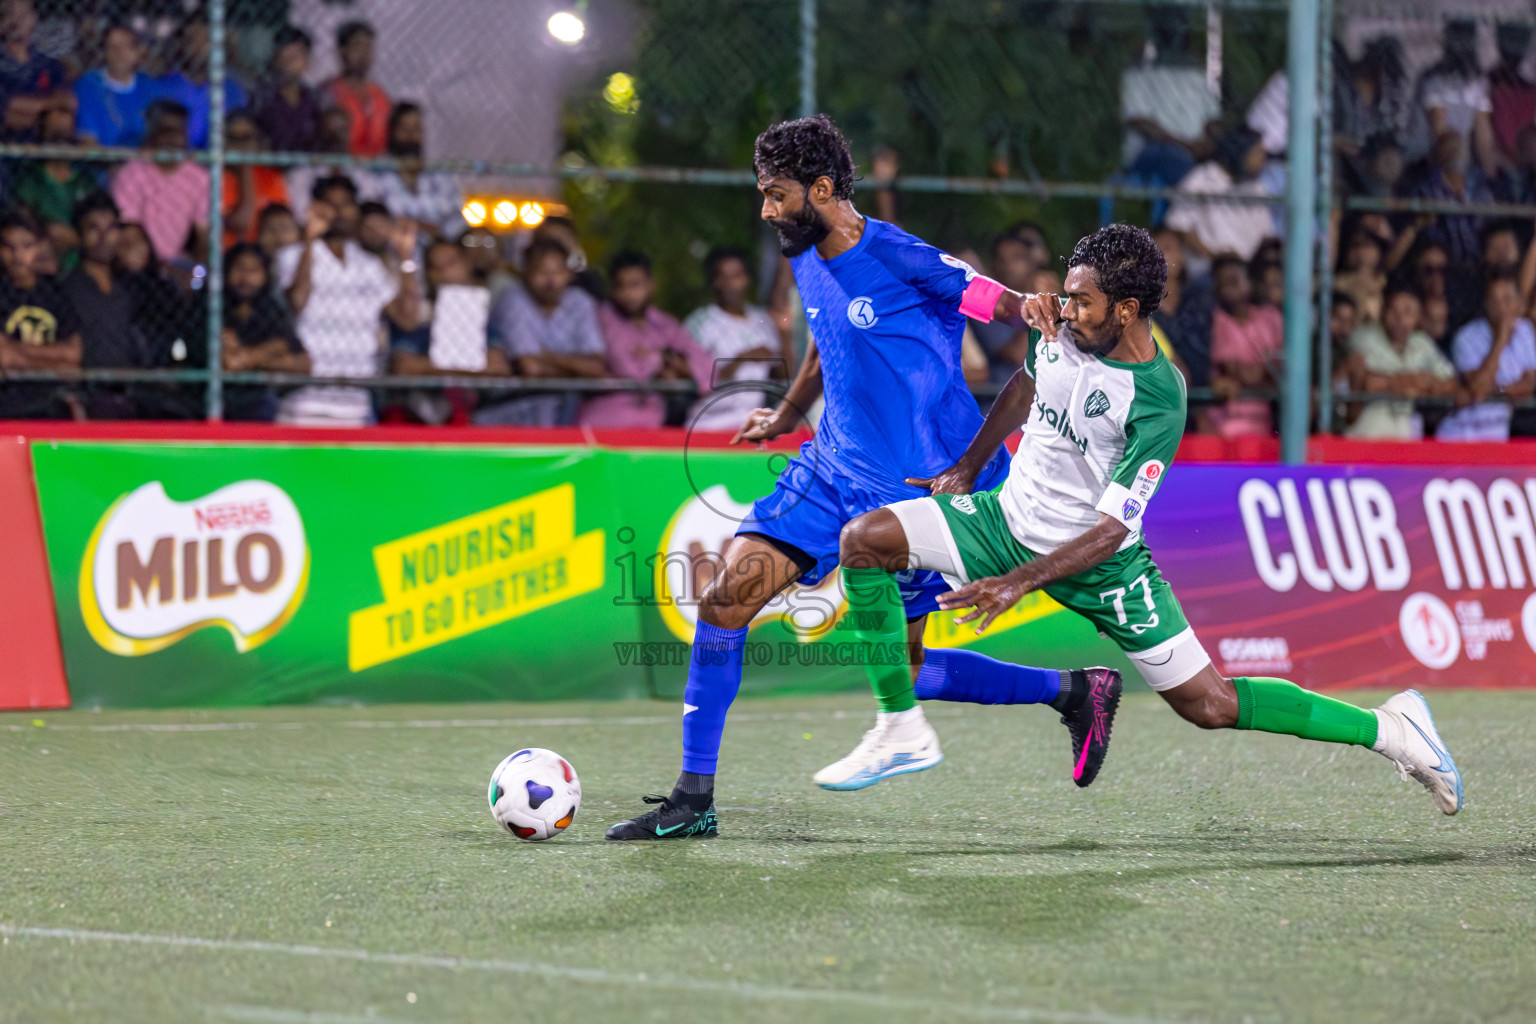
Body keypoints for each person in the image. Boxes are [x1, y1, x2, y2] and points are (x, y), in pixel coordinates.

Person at [828, 223, 1462, 821]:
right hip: (1000, 521)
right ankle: (900, 726)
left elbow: (1110, 531)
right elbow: (1026, 383)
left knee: (1209, 706)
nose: (1066, 308)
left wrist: (1018, 583)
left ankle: (1391, 730)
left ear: (1126, 310)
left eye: (1082, 300)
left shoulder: (1160, 395)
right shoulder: (1058, 326)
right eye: (1067, 295)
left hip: (1101, 564)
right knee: (865, 542)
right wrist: (968, 467)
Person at [604, 115, 1086, 841]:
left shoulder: (895, 253)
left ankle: (1073, 689)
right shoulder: (801, 247)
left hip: (914, 495)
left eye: (774, 194)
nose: (765, 210)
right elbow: (829, 340)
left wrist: (1028, 306)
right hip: (829, 471)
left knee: (911, 672)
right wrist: (790, 412)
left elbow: (982, 293)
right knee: (724, 603)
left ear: (821, 189)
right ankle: (692, 798)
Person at [274, 174, 419, 426]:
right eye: (331, 204)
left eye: (347, 204)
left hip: (357, 394)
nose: (340, 212)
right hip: (305, 396)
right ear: (315, 209)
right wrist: (309, 239)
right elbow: (297, 300)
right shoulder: (293, 256)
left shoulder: (370, 265)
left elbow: (406, 319)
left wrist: (405, 256)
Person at [477, 237, 605, 427]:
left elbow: (596, 367)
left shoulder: (580, 301)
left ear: (569, 273)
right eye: (542, 272)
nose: (551, 280)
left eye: (558, 271)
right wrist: (577, 369)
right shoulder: (513, 300)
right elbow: (531, 369)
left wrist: (546, 356)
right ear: (525, 273)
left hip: (568, 400)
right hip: (512, 401)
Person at [579, 249, 715, 429]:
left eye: (635, 285)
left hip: (651, 425)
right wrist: (663, 364)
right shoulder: (603, 318)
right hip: (605, 424)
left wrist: (666, 360)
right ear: (612, 289)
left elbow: (708, 367)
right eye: (621, 286)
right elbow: (628, 367)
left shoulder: (664, 323)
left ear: (651, 285)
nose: (628, 294)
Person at [684, 245, 792, 432]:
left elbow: (784, 375)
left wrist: (783, 332)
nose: (731, 284)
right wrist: (742, 358)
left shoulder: (763, 321)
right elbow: (690, 376)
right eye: (723, 277)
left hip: (752, 424)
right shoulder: (699, 323)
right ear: (714, 281)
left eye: (737, 275)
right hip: (708, 424)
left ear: (747, 278)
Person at [60, 192, 144, 418]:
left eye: (111, 229)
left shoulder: (130, 286)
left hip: (135, 390)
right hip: (89, 393)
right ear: (78, 235)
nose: (104, 238)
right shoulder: (68, 288)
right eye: (93, 229)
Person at [1342, 283, 1459, 439]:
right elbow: (1369, 381)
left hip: (1404, 435)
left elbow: (1450, 382)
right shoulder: (1364, 336)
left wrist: (1417, 385)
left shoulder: (1422, 342)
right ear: (1383, 312)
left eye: (1408, 312)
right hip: (1366, 434)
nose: (1399, 318)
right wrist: (1418, 381)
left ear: (1418, 318)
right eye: (1393, 310)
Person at [212, 242, 311, 421]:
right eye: (240, 268)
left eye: (254, 270)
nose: (246, 277)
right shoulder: (211, 306)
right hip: (213, 394)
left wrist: (250, 359)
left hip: (258, 397)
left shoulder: (272, 310)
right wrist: (274, 352)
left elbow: (303, 364)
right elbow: (227, 362)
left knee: (266, 403)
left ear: (265, 275)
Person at [1436, 273, 1536, 441]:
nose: (1501, 307)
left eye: (1507, 299)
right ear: (1486, 305)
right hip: (1461, 434)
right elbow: (1478, 387)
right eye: (1494, 301)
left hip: (1497, 433)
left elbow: (1530, 384)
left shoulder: (1524, 330)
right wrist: (1501, 340)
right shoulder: (1466, 337)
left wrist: (1497, 389)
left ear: (1518, 303)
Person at [0, 211, 81, 419]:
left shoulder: (55, 293)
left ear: (40, 247)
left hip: (51, 398)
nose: (18, 256)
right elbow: (3, 357)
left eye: (27, 246)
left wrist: (17, 353)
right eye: (9, 247)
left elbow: (73, 356)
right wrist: (55, 362)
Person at [110, 99, 210, 264]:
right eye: (166, 131)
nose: (174, 139)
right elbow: (129, 233)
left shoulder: (199, 177)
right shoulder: (131, 174)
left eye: (179, 131)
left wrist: (196, 277)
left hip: (182, 264)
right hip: (143, 265)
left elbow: (203, 236)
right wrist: (162, 271)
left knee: (201, 275)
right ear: (152, 133)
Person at [1165, 125, 1277, 262]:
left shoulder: (1255, 186)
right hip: (1208, 268)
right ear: (1241, 152)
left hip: (1248, 270)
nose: (1263, 160)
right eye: (1257, 154)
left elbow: (1266, 233)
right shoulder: (1202, 179)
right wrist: (1218, 263)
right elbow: (1179, 226)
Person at [12, 105, 102, 264]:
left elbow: (99, 225)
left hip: (83, 261)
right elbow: (21, 222)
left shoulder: (85, 180)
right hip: (40, 259)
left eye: (66, 134)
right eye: (55, 135)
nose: (61, 142)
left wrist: (75, 238)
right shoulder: (30, 179)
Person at [1206, 253, 1282, 437]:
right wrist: (1265, 371)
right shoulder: (1216, 321)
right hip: (1227, 422)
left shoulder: (1270, 317)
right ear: (1216, 289)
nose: (1233, 286)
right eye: (1226, 282)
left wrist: (1266, 373)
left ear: (1249, 281)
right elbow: (1242, 373)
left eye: (1236, 279)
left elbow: (1283, 367)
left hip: (1268, 417)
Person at [368, 102, 463, 241]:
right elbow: (374, 218)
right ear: (392, 131)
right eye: (404, 128)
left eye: (416, 128)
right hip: (393, 246)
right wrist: (420, 227)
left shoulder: (439, 173)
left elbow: (455, 216)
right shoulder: (377, 172)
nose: (410, 135)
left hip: (439, 246)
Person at [1416, 18, 1497, 179]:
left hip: (1462, 165)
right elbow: (1438, 128)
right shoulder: (1435, 80)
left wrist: (1490, 174)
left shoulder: (1478, 82)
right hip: (1436, 164)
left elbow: (1484, 134)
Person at [157, 11, 248, 149]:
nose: (198, 47)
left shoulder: (232, 89)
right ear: (182, 44)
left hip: (221, 162)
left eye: (205, 39)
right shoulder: (165, 85)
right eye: (192, 38)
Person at [73, 23, 160, 148]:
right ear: (105, 52)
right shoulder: (88, 85)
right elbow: (87, 142)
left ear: (138, 52)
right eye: (113, 47)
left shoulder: (150, 87)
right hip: (104, 165)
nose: (119, 54)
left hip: (144, 165)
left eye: (126, 47)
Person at [1149, 225, 1211, 387]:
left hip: (1209, 396)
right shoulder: (1139, 310)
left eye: (1168, 248)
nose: (1161, 255)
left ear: (1182, 256)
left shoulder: (1201, 300)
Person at [221, 109, 290, 248]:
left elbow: (284, 228)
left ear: (258, 142)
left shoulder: (272, 177)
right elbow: (243, 224)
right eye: (235, 138)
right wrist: (245, 169)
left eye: (247, 137)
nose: (242, 144)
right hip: (229, 256)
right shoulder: (217, 178)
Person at [322, 20, 389, 158]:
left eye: (368, 48)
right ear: (342, 51)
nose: (363, 55)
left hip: (379, 171)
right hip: (343, 167)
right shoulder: (329, 92)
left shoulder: (380, 96)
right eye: (357, 47)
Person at [253, 25, 320, 153]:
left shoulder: (315, 99)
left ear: (306, 62)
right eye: (283, 56)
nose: (288, 62)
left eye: (294, 57)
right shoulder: (261, 98)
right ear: (274, 59)